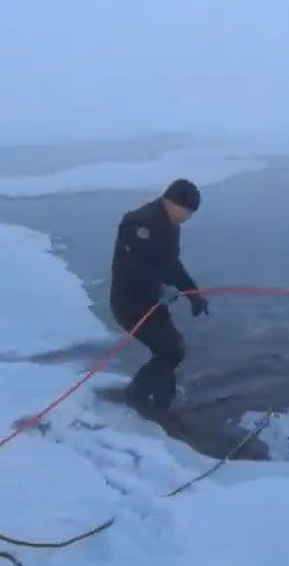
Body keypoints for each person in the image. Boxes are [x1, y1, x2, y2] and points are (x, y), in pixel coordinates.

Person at [109, 179, 210, 420]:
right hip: (130, 303)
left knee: (172, 348)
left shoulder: (169, 224)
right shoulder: (140, 223)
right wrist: (158, 290)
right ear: (172, 202)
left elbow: (171, 264)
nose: (187, 218)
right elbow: (134, 268)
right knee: (170, 351)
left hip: (150, 302)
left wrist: (193, 294)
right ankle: (136, 396)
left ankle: (164, 402)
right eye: (187, 212)